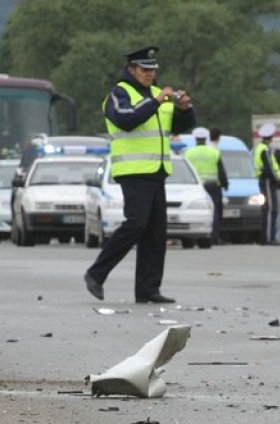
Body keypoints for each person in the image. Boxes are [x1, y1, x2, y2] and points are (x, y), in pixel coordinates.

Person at [84, 46, 195, 304]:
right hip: (132, 171)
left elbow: (179, 127)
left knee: (156, 233)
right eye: (144, 70)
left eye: (153, 70)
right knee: (136, 224)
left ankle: (148, 289)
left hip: (157, 170)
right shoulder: (119, 93)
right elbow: (126, 119)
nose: (149, 74)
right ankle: (96, 273)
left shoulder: (159, 95)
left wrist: (185, 109)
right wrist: (156, 102)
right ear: (131, 69)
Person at [185, 126, 228, 244]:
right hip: (213, 185)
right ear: (206, 139)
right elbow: (221, 170)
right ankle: (214, 236)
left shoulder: (188, 152)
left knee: (194, 210)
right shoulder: (214, 152)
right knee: (214, 210)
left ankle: (192, 238)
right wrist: (225, 184)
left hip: (196, 187)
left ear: (195, 139)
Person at [253, 123, 280, 245]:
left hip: (265, 180)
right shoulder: (265, 149)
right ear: (271, 137)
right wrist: (276, 178)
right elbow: (269, 167)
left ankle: (265, 237)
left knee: (267, 209)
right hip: (267, 181)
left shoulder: (260, 148)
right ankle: (269, 237)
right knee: (270, 209)